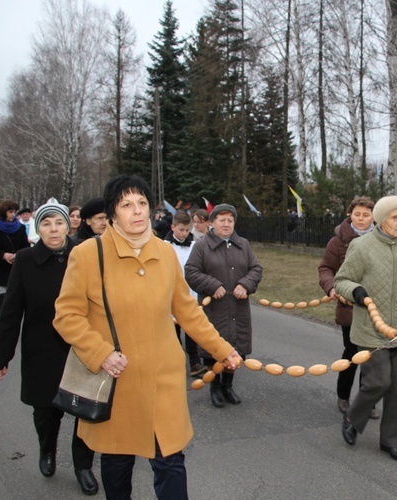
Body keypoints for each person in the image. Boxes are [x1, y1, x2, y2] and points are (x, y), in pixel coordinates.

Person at [54, 175, 241, 499]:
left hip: (162, 381)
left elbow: (188, 312)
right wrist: (101, 353)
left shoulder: (165, 254)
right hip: (118, 380)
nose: (137, 211)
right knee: (117, 464)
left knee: (171, 463)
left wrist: (223, 350)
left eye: (142, 203)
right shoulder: (87, 255)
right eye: (127, 204)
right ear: (112, 213)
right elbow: (67, 315)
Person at [0, 198, 99, 496]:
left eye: (59, 222)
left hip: (81, 347)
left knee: (86, 410)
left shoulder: (86, 255)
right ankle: (47, 450)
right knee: (46, 413)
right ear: (37, 228)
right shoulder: (25, 260)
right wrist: (1, 356)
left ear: (69, 225)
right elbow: (11, 313)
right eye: (46, 223)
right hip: (41, 347)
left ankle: (83, 465)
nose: (54, 229)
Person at [334, 195, 397, 462]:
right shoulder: (361, 246)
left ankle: (390, 441)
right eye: (395, 217)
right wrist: (355, 291)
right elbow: (341, 280)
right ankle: (353, 420)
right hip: (371, 329)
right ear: (380, 219)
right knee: (378, 382)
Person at [185, 204, 262, 408]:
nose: (226, 224)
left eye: (230, 220)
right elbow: (191, 271)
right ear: (212, 222)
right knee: (213, 349)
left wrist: (245, 284)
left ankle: (228, 386)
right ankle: (215, 388)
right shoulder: (201, 246)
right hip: (214, 310)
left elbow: (256, 269)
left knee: (236, 348)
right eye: (222, 220)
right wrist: (212, 285)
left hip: (238, 309)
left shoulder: (243, 244)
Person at [318, 197, 380, 419]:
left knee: (373, 358)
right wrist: (331, 287)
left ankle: (367, 400)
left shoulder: (383, 239)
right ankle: (343, 396)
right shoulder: (338, 242)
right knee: (353, 355)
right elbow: (326, 268)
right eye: (357, 214)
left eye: (366, 215)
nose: (361, 219)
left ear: (374, 216)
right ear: (350, 214)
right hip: (350, 309)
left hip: (377, 310)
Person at [164, 211, 206, 377]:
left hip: (190, 294)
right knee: (173, 332)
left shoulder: (195, 246)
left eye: (187, 230)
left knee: (191, 330)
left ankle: (195, 362)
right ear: (173, 227)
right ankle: (173, 363)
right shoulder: (164, 246)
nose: (184, 233)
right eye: (181, 229)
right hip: (170, 296)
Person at [0, 200, 30, 315]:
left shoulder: (20, 228)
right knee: (3, 301)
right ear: (3, 212)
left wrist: (18, 255)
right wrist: (3, 255)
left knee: (17, 300)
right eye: (10, 211)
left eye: (15, 212)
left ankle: (15, 324)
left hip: (17, 268)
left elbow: (26, 246)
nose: (13, 214)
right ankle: (4, 326)